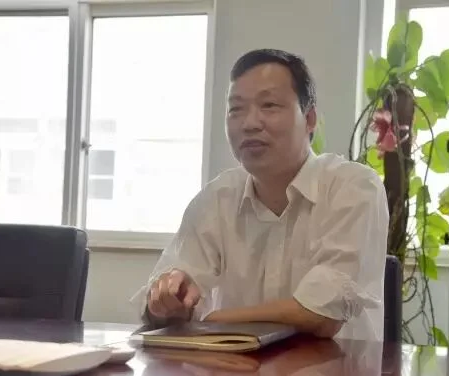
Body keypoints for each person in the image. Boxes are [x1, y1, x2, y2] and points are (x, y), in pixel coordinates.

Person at [130, 48, 389, 340]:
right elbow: (160, 303)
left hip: (337, 368)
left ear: (310, 119)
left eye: (269, 105)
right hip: (233, 368)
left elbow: (321, 314)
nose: (250, 123)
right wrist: (168, 302)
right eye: (236, 109)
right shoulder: (216, 199)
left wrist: (210, 321)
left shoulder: (353, 187)